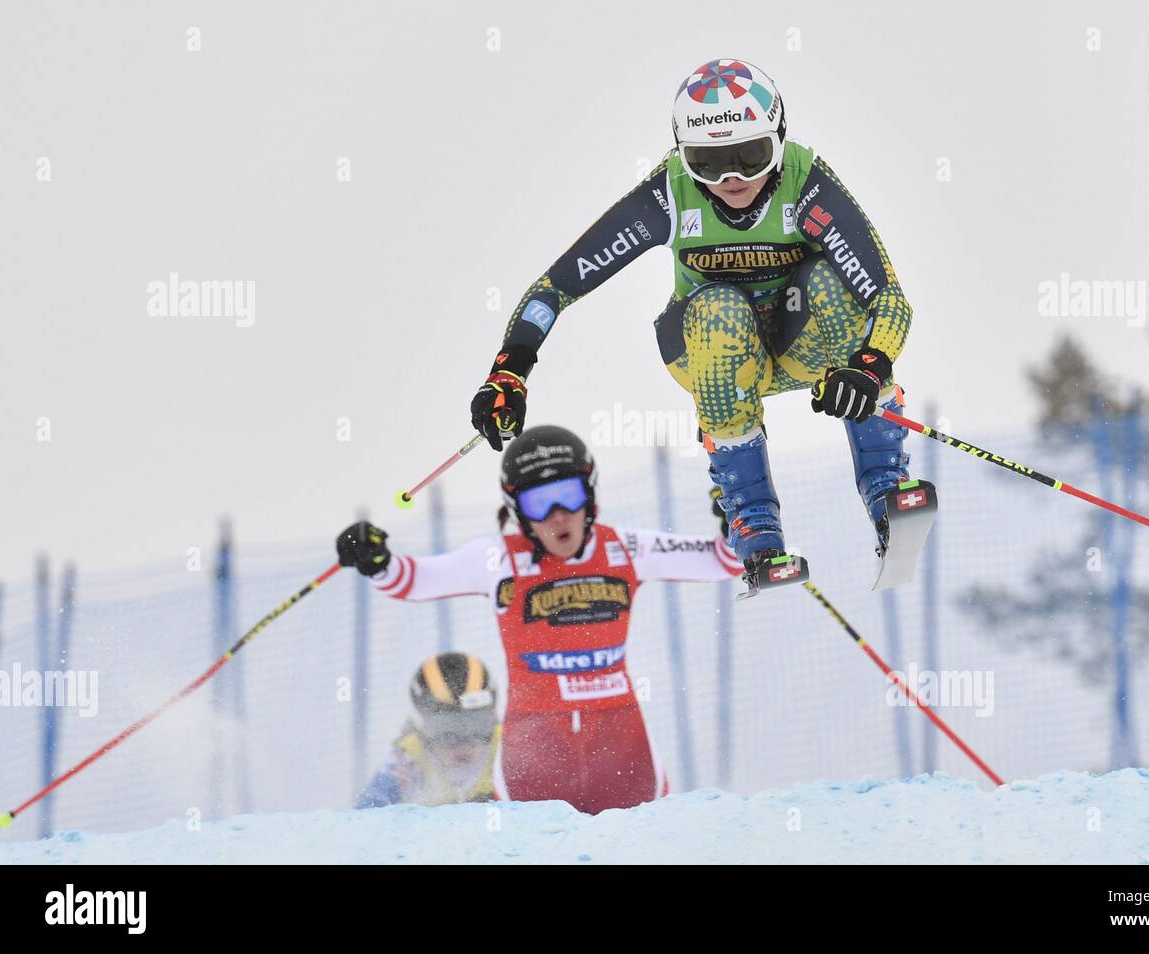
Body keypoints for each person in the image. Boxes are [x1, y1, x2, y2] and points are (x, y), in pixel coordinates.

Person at [468, 58, 928, 593]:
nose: (732, 178)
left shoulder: (806, 184)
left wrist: (869, 367)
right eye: (708, 163)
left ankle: (886, 490)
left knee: (829, 281)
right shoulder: (669, 195)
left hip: (806, 346)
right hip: (720, 361)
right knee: (716, 310)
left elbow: (888, 297)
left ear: (778, 143)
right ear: (684, 158)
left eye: (750, 156)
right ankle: (754, 526)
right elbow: (556, 286)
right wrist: (509, 372)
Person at [337, 425, 742, 814]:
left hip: (624, 752)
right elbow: (414, 580)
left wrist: (735, 522)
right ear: (518, 511)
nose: (558, 515)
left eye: (568, 495)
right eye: (539, 503)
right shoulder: (497, 559)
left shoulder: (627, 547)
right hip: (534, 759)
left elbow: (721, 560)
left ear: (589, 495)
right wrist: (377, 561)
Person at [355, 652, 500, 809]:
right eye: (447, 731)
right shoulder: (408, 758)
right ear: (422, 728)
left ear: (493, 717)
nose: (464, 743)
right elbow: (366, 813)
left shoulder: (506, 747)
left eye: (477, 727)